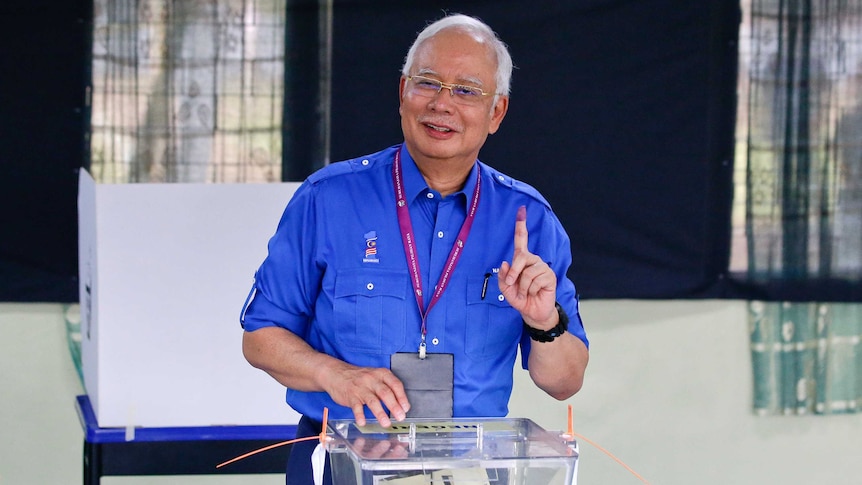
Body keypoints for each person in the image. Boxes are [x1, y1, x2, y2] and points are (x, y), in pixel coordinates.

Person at [239, 13, 589, 485]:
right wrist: (333, 374)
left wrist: (544, 322)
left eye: (466, 90)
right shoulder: (329, 198)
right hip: (341, 460)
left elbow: (564, 382)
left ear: (497, 112)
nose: (442, 104)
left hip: (470, 467)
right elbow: (261, 337)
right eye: (428, 83)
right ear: (403, 92)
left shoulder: (529, 221)